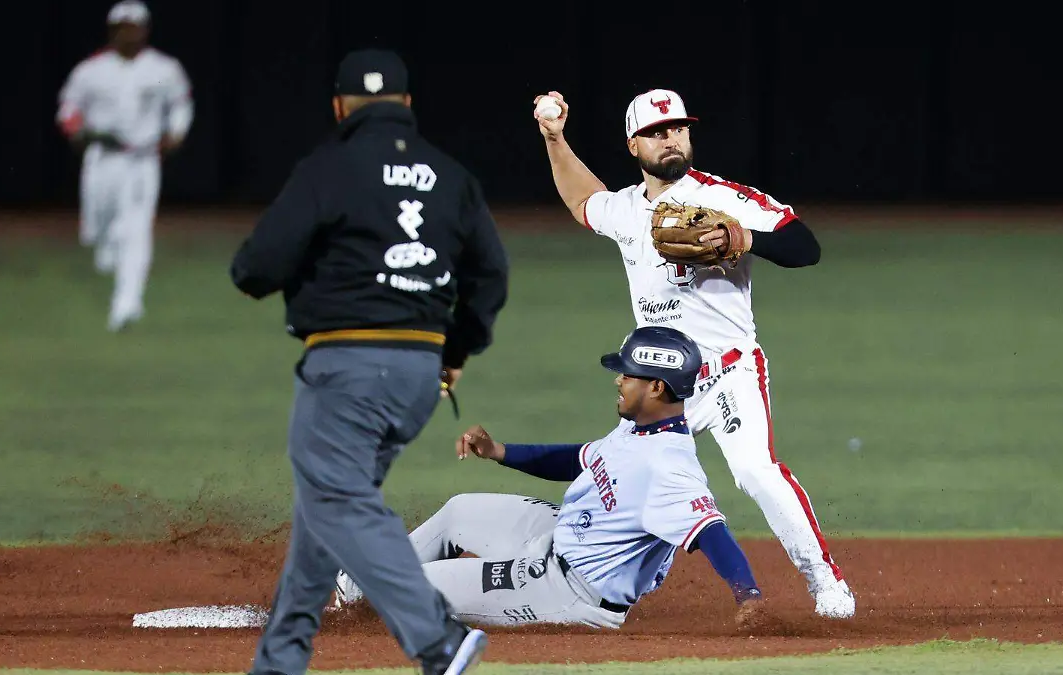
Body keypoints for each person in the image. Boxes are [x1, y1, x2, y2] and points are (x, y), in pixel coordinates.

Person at [229, 48, 508, 675]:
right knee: (327, 505)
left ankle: (437, 639)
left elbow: (254, 268)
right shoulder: (449, 174)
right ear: (407, 106)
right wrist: (455, 350)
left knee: (340, 499)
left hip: (348, 367)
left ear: (339, 107)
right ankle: (279, 660)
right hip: (417, 373)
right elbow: (491, 274)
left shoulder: (329, 169)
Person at [530, 88, 854, 619]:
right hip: (662, 387)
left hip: (728, 373)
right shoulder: (628, 209)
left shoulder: (726, 198)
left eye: (678, 128)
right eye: (656, 132)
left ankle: (825, 581)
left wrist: (745, 239)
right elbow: (582, 200)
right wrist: (554, 137)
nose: (670, 138)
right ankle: (589, 588)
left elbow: (805, 248)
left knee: (754, 471)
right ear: (634, 145)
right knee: (609, 476)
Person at [334, 326, 769, 630]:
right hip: (561, 536)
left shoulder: (669, 469)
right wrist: (500, 452)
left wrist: (748, 597)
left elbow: (713, 532)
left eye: (628, 374)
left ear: (656, 388)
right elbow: (580, 459)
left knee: (403, 591)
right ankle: (349, 593)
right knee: (459, 511)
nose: (618, 380)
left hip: (567, 591)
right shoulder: (639, 427)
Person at [55, 0, 194, 332]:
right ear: (112, 30)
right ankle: (108, 247)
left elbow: (181, 104)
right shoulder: (91, 70)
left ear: (145, 29)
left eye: (136, 26)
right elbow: (68, 108)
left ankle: (127, 303)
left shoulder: (163, 68)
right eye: (124, 27)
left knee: (136, 230)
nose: (130, 32)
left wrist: (176, 133)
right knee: (99, 230)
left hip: (142, 159)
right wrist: (77, 131)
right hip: (102, 159)